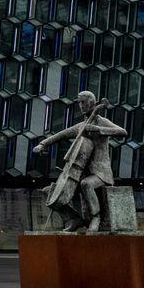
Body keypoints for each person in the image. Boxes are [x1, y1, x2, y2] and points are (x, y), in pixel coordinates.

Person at [34, 91, 127, 233]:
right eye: (79, 102)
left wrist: (99, 129)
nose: (81, 105)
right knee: (49, 192)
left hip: (100, 173)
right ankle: (73, 219)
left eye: (83, 102)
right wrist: (43, 144)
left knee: (86, 184)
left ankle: (96, 217)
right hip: (80, 172)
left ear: (92, 102)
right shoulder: (81, 126)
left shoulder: (101, 121)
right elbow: (61, 135)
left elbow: (122, 132)